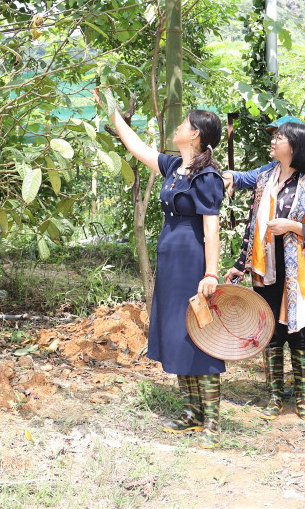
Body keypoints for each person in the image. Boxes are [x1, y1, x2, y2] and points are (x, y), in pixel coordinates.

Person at [94, 89, 226, 448]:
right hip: (169, 258)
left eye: (184, 124)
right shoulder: (173, 166)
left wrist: (210, 273)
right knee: (176, 333)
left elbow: (211, 229)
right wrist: (114, 112)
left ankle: (211, 422)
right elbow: (137, 147)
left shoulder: (207, 176)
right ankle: (190, 414)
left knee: (201, 336)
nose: (178, 127)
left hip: (193, 260)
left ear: (196, 134)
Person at [223, 116, 305, 407]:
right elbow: (247, 185)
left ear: (296, 142)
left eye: (279, 135)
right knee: (285, 318)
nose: (273, 139)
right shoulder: (270, 173)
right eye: (273, 134)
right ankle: (299, 381)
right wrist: (226, 174)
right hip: (278, 258)